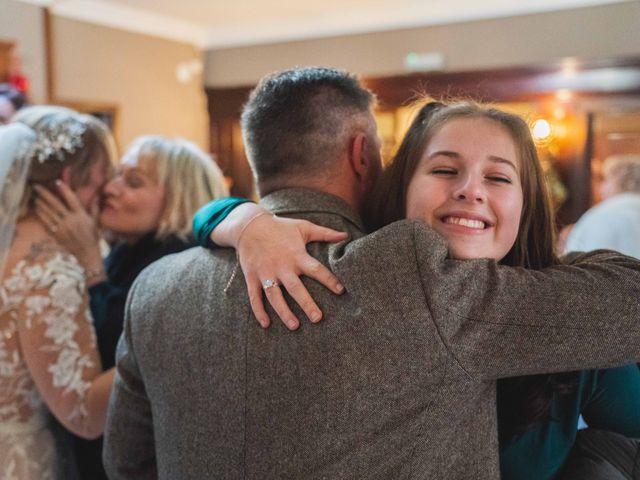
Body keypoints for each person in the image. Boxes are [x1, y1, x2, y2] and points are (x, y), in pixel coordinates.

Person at [103, 67, 640, 480]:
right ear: (368, 158)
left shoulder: (154, 286)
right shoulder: (410, 275)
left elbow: (126, 464)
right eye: (444, 169)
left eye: (498, 177)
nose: (469, 189)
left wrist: (234, 217)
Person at [33, 135, 229, 479]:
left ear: (178, 200)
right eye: (116, 174)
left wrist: (91, 263)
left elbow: (115, 352)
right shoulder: (129, 250)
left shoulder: (177, 264)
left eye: (133, 181)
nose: (111, 188)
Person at [0, 106, 116, 479]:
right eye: (102, 179)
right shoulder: (48, 271)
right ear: (67, 179)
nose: (106, 192)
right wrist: (158, 344)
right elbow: (83, 414)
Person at [565, 154, 640, 258]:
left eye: (605, 180)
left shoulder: (602, 215)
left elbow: (586, 265)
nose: (601, 188)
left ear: (621, 181)